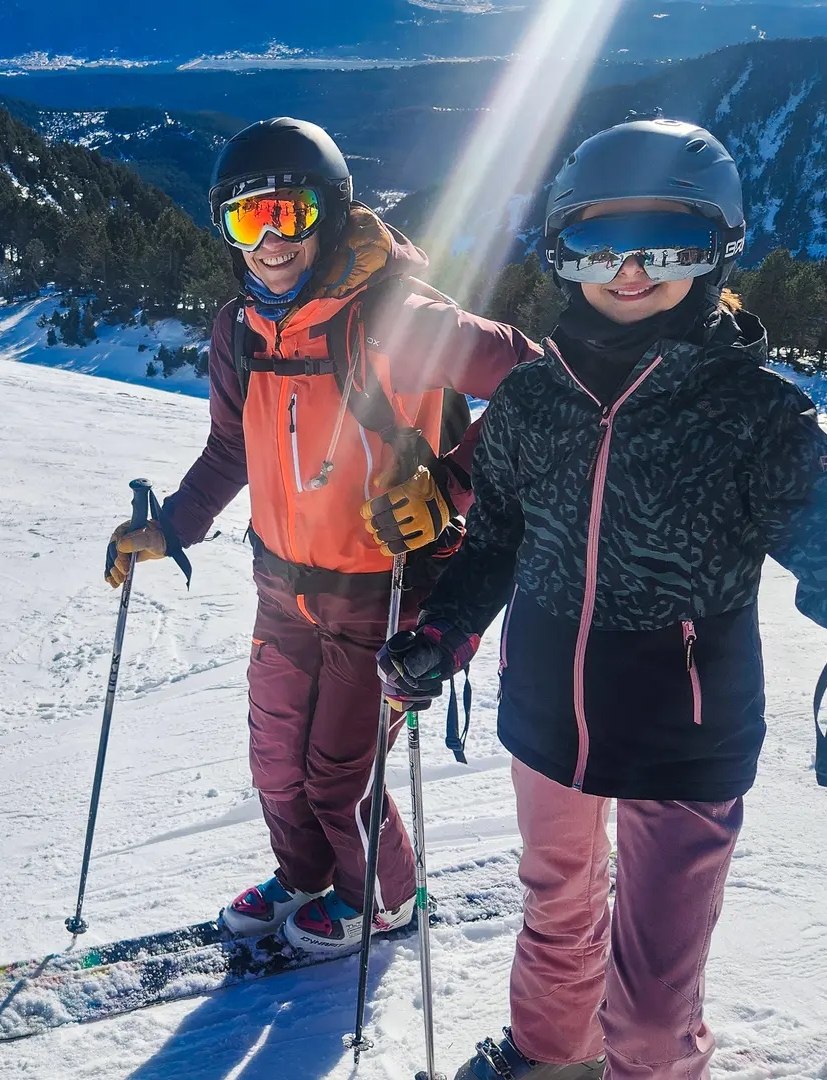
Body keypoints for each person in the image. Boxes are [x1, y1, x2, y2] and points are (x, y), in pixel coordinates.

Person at [379, 119, 827, 1080]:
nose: (630, 271)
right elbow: (496, 540)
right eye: (598, 245)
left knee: (652, 1014)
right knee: (558, 908)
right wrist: (443, 630)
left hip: (685, 732)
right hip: (547, 712)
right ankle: (547, 1056)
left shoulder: (752, 410)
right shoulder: (530, 400)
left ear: (718, 252)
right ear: (564, 255)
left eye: (668, 246)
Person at [106, 117, 539, 959]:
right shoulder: (238, 329)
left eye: (288, 215)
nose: (268, 241)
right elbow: (232, 448)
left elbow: (540, 385)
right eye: (245, 220)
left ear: (330, 214)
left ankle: (382, 898)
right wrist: (171, 528)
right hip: (283, 585)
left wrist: (450, 483)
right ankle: (304, 877)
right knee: (276, 759)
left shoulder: (395, 315)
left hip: (385, 587)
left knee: (340, 773)